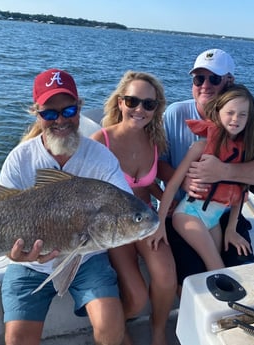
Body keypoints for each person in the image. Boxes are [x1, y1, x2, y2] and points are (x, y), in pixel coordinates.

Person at [0, 68, 132, 345]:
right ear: (36, 113)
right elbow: (1, 216)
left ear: (80, 109)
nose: (60, 120)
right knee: (16, 339)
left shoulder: (101, 158)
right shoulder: (19, 159)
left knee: (111, 326)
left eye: (68, 110)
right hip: (30, 267)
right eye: (49, 113)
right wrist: (17, 255)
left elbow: (124, 207)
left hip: (86, 258)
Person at [158, 49, 254, 291]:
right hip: (182, 212)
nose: (205, 85)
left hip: (224, 215)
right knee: (192, 279)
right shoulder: (175, 113)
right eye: (198, 79)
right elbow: (157, 164)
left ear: (229, 82)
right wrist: (183, 181)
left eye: (214, 79)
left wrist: (223, 171)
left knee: (241, 269)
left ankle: (237, 319)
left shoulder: (244, 121)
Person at [91, 71, 176, 345]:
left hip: (147, 217)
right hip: (115, 225)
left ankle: (158, 330)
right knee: (137, 297)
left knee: (165, 278)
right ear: (120, 103)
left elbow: (144, 181)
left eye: (148, 104)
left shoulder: (154, 141)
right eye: (132, 101)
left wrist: (163, 194)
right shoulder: (100, 141)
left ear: (156, 109)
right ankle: (120, 325)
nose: (140, 109)